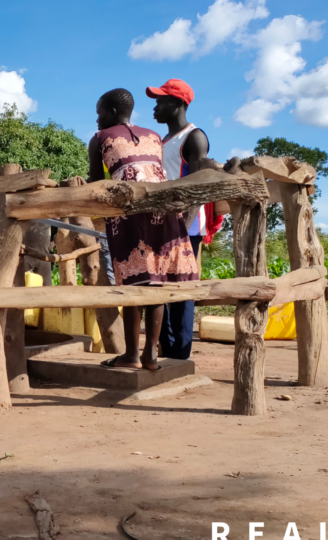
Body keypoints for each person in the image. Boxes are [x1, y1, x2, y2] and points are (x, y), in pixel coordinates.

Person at [87, 88, 199, 370]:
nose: (97, 119)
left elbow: (95, 183)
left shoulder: (100, 138)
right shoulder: (152, 136)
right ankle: (150, 355)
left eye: (99, 112)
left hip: (130, 214)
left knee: (132, 284)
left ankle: (131, 355)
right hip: (164, 213)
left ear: (112, 113)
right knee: (156, 283)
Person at [148, 78, 210, 360]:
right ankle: (166, 350)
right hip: (162, 224)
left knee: (182, 290)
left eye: (160, 101)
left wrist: (183, 229)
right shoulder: (163, 141)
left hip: (186, 226)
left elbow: (197, 188)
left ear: (177, 104)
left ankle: (180, 355)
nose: (155, 107)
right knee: (159, 287)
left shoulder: (194, 137)